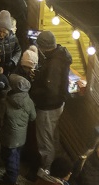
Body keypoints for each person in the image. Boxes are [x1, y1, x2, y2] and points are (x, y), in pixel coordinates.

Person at [30, 31, 72, 173]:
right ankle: (56, 169)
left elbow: (50, 90)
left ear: (44, 47)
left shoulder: (53, 63)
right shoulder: (60, 55)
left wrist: (33, 90)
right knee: (53, 137)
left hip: (48, 106)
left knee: (45, 140)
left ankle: (47, 171)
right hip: (58, 104)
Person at [0, 73, 37, 185]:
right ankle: (13, 175)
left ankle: (11, 180)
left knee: (10, 157)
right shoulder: (29, 101)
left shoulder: (6, 101)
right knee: (16, 155)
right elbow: (33, 117)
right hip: (22, 135)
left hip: (9, 135)